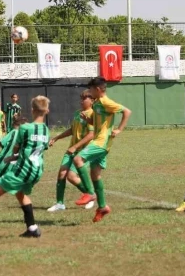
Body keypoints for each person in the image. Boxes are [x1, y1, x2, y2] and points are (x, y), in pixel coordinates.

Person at [0, 96, 50, 242]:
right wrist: (14, 157)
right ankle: (32, 228)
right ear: (47, 111)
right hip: (37, 170)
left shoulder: (25, 128)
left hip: (23, 169)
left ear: (32, 110)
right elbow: (37, 149)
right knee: (21, 194)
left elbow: (16, 149)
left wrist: (11, 157)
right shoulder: (46, 130)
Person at [72, 77, 131, 223]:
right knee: (95, 175)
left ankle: (90, 193)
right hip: (100, 142)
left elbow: (126, 112)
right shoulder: (97, 103)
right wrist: (88, 121)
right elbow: (99, 122)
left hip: (101, 143)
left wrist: (119, 129)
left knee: (77, 159)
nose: (90, 92)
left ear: (98, 89)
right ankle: (103, 207)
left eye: (91, 89)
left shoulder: (106, 102)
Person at [47, 89, 96, 212]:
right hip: (71, 150)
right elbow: (72, 130)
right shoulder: (77, 113)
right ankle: (59, 204)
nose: (81, 101)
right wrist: (57, 138)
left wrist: (75, 146)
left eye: (84, 98)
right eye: (81, 98)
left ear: (92, 100)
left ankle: (90, 195)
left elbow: (91, 134)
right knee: (62, 174)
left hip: (83, 151)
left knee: (72, 176)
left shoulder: (92, 114)